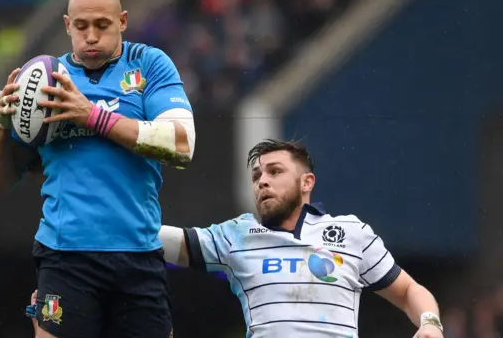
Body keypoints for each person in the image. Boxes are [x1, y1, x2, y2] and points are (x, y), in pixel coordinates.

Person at [0, 0, 195, 337]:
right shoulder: (45, 83)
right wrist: (1, 125)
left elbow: (182, 145)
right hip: (65, 258)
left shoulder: (150, 65)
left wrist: (91, 115)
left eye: (102, 25)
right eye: (81, 26)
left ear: (122, 21)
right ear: (67, 25)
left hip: (138, 255)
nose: (91, 36)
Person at [156, 139, 444, 338]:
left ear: (307, 182)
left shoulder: (351, 233)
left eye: (275, 171)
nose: (262, 181)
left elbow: (409, 291)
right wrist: (118, 222)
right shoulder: (238, 236)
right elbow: (169, 242)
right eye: (257, 176)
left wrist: (431, 324)